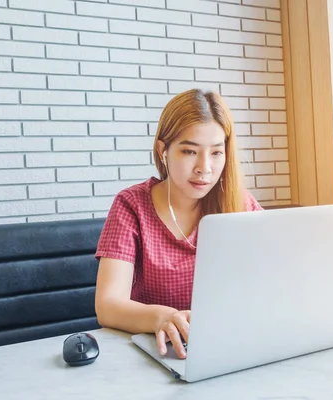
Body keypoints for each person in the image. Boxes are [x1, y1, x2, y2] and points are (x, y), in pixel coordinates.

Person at [94, 88, 263, 360]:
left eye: (216, 153)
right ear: (163, 150)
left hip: (227, 349)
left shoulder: (238, 203)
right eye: (189, 151)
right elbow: (108, 306)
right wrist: (164, 317)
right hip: (156, 355)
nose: (204, 167)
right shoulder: (131, 206)